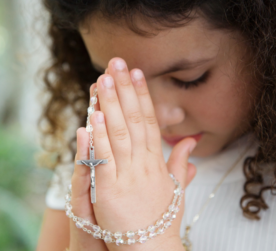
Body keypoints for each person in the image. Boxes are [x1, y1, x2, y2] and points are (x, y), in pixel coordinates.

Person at [36, 1, 276, 251]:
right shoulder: (98, 155)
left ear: (263, 46)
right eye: (119, 85)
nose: (157, 118)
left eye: (188, 80)